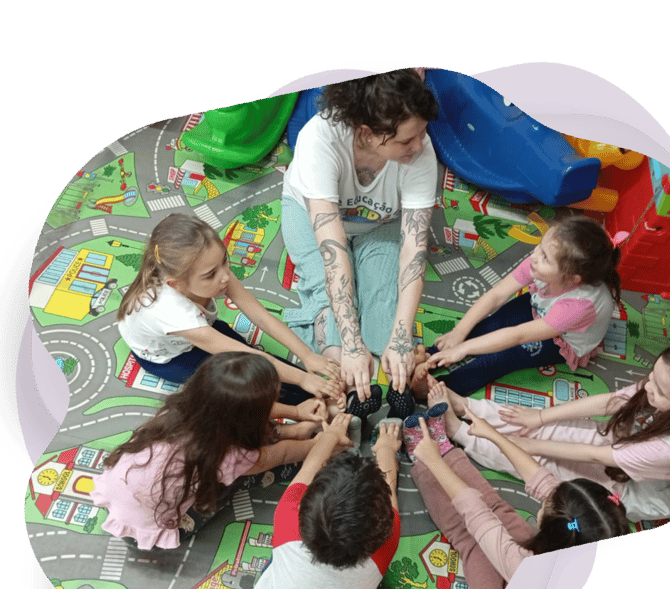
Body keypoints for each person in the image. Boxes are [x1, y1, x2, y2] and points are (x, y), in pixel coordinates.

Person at [433, 338, 670, 522]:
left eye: (659, 389)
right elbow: (610, 402)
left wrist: (519, 445)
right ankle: (465, 406)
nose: (647, 386)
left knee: (536, 462)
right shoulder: (662, 387)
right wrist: (540, 417)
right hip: (621, 446)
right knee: (541, 427)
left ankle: (458, 430)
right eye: (651, 376)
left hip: (627, 492)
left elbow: (594, 456)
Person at [281, 68, 439, 404]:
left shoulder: (420, 152)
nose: (419, 146)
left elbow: (414, 250)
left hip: (379, 223)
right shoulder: (319, 140)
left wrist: (400, 338)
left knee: (384, 309)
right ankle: (348, 393)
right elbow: (334, 253)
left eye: (422, 133)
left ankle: (387, 378)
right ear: (366, 134)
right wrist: (351, 347)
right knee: (329, 310)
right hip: (312, 219)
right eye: (406, 140)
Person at [91, 353, 334, 550]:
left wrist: (297, 414)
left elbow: (243, 410)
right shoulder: (227, 457)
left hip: (119, 498)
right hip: (152, 531)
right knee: (248, 474)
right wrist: (321, 445)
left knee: (246, 450)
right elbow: (280, 455)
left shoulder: (180, 408)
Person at [408, 410, 630, 589]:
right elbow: (544, 482)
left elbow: (476, 514)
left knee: (471, 539)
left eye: (546, 504)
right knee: (500, 513)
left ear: (552, 534)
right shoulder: (585, 535)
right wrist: (493, 435)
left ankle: (424, 461)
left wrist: (433, 462)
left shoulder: (529, 573)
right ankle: (446, 452)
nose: (546, 496)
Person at [117, 213, 342, 406]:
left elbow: (261, 316)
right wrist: (304, 379)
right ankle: (315, 402)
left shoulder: (210, 269)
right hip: (170, 358)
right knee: (243, 380)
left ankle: (320, 395)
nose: (225, 276)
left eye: (224, 261)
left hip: (198, 328)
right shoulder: (173, 311)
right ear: (176, 284)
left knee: (254, 359)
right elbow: (249, 359)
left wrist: (307, 355)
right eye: (211, 275)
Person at [248, 416, 401, 589]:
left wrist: (330, 435)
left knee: (279, 560)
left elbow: (309, 467)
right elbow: (390, 491)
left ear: (305, 508)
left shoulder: (286, 518)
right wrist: (385, 450)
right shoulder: (389, 540)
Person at [415, 215, 622, 397]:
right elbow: (496, 295)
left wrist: (463, 349)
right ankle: (430, 356)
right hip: (541, 308)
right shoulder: (540, 265)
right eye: (540, 246)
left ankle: (436, 388)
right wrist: (458, 333)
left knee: (502, 357)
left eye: (545, 257)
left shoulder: (579, 306)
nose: (534, 255)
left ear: (572, 277)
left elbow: (518, 336)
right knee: (492, 323)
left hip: (563, 339)